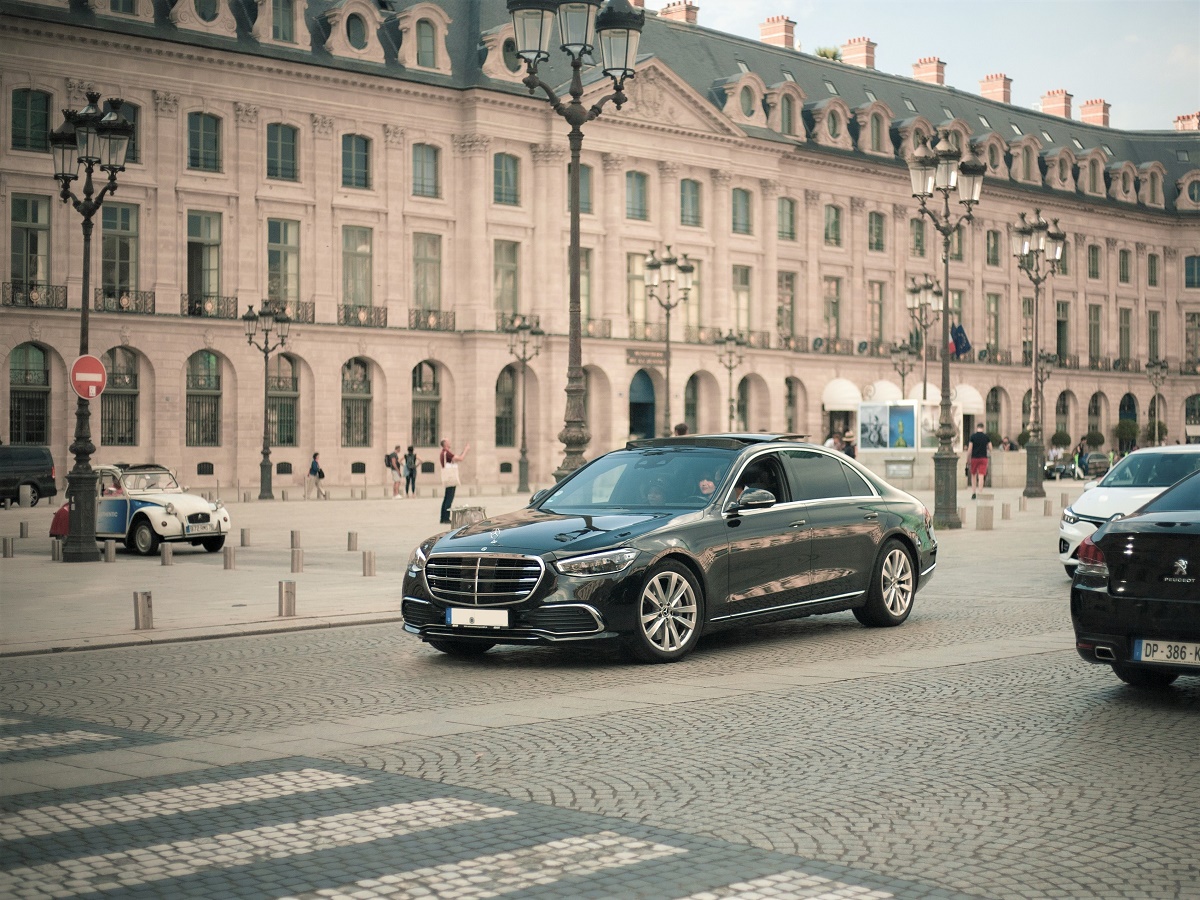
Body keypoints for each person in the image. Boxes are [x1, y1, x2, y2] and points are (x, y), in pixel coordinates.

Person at [438, 438, 469, 524]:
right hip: (450, 477)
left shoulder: (443, 453)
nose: (450, 442)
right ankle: (446, 518)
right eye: (448, 441)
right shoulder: (446, 453)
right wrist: (466, 450)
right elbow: (460, 458)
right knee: (449, 497)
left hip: (448, 477)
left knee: (446, 497)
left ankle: (443, 517)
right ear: (445, 444)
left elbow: (457, 458)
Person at [967, 423, 990, 499]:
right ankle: (980, 492)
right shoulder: (986, 437)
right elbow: (991, 447)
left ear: (977, 428)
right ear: (983, 428)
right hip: (983, 458)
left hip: (974, 458)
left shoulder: (973, 437)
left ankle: (973, 492)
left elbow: (970, 449)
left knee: (973, 475)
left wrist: (968, 458)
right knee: (981, 475)